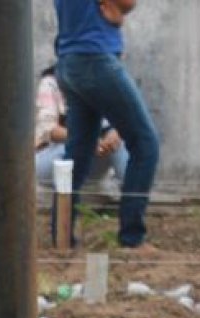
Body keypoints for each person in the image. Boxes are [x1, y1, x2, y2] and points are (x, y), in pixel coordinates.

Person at [52, 0, 160, 249]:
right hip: (96, 57)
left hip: (69, 61)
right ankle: (132, 238)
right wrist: (121, 12)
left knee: (76, 158)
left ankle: (61, 235)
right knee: (145, 145)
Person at [34, 64, 128, 195]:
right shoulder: (51, 82)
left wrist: (114, 134)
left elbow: (118, 121)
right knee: (81, 143)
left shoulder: (104, 81)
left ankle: (132, 199)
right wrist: (86, 139)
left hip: (94, 155)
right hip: (53, 158)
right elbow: (48, 130)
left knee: (121, 142)